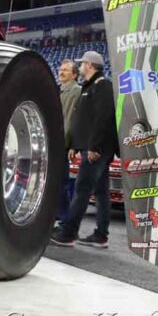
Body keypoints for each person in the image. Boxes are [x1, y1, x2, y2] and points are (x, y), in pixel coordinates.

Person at [51, 50, 118, 248]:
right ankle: (101, 235)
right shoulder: (91, 87)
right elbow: (86, 121)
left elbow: (103, 118)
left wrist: (94, 146)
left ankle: (68, 233)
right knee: (102, 192)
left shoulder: (102, 85)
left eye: (81, 64)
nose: (79, 67)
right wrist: (76, 144)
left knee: (82, 189)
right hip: (91, 146)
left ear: (89, 65)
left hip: (96, 149)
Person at [56, 59, 81, 223]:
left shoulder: (77, 91)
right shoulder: (58, 90)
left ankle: (65, 219)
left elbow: (78, 120)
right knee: (56, 183)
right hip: (55, 142)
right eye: (60, 69)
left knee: (62, 183)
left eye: (65, 70)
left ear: (74, 74)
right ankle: (58, 216)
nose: (61, 72)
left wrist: (74, 144)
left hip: (64, 143)